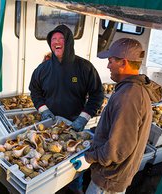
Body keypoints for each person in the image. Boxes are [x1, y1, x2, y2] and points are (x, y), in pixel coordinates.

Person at [72, 38, 162, 193]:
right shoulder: (133, 89)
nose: (108, 66)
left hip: (108, 181)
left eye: (111, 61)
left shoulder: (129, 96)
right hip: (113, 176)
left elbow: (119, 148)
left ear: (123, 63)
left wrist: (89, 159)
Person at [29, 24, 104, 194]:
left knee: (73, 164)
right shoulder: (43, 69)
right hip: (49, 124)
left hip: (75, 124)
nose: (56, 42)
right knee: (49, 157)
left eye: (61, 38)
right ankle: (51, 188)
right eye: (53, 39)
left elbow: (97, 94)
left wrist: (83, 118)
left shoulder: (85, 67)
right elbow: (34, 90)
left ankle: (75, 188)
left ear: (68, 42)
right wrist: (43, 110)